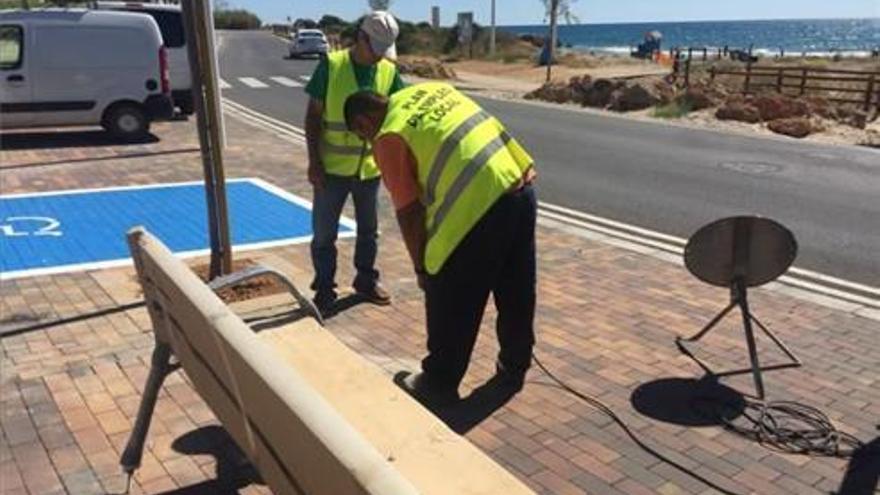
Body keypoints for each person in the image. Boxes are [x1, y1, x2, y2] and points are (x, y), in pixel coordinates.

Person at [344, 82, 538, 405]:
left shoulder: (388, 137)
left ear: (363, 122)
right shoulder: (430, 90)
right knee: (516, 286)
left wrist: (421, 267)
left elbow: (409, 213)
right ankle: (514, 366)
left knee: (450, 294)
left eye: (361, 135)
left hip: (478, 208)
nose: (367, 141)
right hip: (518, 184)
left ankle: (437, 382)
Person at [303, 11, 406, 312]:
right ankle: (324, 288)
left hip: (369, 170)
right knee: (324, 234)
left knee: (369, 231)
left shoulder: (387, 71)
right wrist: (314, 162)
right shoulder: (332, 66)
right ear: (361, 38)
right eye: (375, 48)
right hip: (331, 170)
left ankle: (365, 280)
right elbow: (313, 117)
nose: (378, 56)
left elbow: (400, 115)